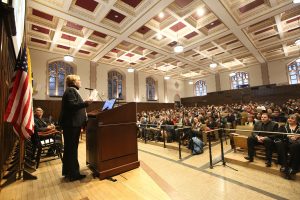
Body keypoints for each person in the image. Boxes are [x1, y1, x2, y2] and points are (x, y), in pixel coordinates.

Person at [59, 75, 91, 181]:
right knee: (72, 149)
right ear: (73, 82)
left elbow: (74, 105)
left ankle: (69, 172)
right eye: (79, 80)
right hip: (71, 124)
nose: (80, 82)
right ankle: (74, 174)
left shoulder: (71, 91)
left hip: (72, 124)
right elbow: (72, 106)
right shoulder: (70, 91)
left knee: (70, 149)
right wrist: (86, 103)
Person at [275, 114, 300, 179]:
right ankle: (285, 165)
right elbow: (278, 135)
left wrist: (298, 136)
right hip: (285, 142)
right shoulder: (283, 127)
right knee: (280, 145)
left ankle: (292, 167)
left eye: (292, 118)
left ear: (296, 120)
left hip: (296, 144)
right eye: (289, 118)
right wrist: (287, 136)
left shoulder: (299, 127)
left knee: (295, 146)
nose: (290, 119)